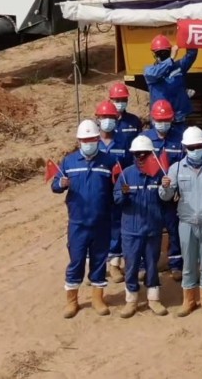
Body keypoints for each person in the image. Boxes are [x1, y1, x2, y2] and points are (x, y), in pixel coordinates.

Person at [51, 119, 115, 319]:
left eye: (92, 139)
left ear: (98, 139)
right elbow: (54, 186)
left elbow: (116, 190)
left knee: (98, 261)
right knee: (76, 261)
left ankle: (98, 299)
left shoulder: (109, 161)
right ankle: (72, 301)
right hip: (78, 223)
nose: (88, 143)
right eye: (84, 140)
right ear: (79, 141)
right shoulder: (68, 161)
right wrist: (60, 183)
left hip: (101, 222)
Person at [158, 126, 202, 317]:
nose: (195, 150)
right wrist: (165, 187)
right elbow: (167, 197)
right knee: (188, 263)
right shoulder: (176, 168)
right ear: (185, 148)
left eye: (198, 146)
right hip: (186, 223)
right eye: (191, 147)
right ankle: (189, 299)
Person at [114, 135, 168, 318]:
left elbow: (166, 200)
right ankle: (131, 300)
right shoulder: (126, 174)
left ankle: (154, 299)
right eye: (138, 154)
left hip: (152, 228)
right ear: (134, 155)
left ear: (151, 154)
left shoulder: (159, 174)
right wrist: (124, 193)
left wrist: (167, 187)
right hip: (131, 230)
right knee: (131, 265)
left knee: (152, 264)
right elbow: (117, 200)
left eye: (145, 154)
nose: (142, 157)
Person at [146, 99, 184, 282]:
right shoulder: (145, 139)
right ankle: (148, 265)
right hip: (151, 193)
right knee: (151, 229)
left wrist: (180, 190)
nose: (163, 124)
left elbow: (184, 165)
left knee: (173, 227)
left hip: (172, 193)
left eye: (166, 120)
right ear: (152, 120)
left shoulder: (179, 138)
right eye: (159, 120)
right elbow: (138, 164)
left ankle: (175, 264)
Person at [95, 99, 130, 283]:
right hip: (98, 193)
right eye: (104, 117)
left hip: (116, 192)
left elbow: (129, 166)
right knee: (98, 228)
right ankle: (97, 266)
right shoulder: (92, 142)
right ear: (97, 118)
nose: (108, 120)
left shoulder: (122, 141)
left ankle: (115, 264)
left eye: (111, 117)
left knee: (117, 226)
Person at [143, 34, 198, 124]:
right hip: (160, 117)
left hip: (179, 117)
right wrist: (171, 59)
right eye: (159, 52)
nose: (162, 54)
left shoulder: (179, 66)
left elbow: (191, 55)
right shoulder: (150, 71)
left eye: (165, 52)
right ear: (154, 54)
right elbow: (156, 73)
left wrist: (189, 38)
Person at [108, 82, 143, 151]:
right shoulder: (105, 121)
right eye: (117, 100)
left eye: (123, 100)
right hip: (110, 160)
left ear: (127, 100)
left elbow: (140, 144)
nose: (120, 103)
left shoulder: (134, 121)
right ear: (111, 100)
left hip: (129, 161)